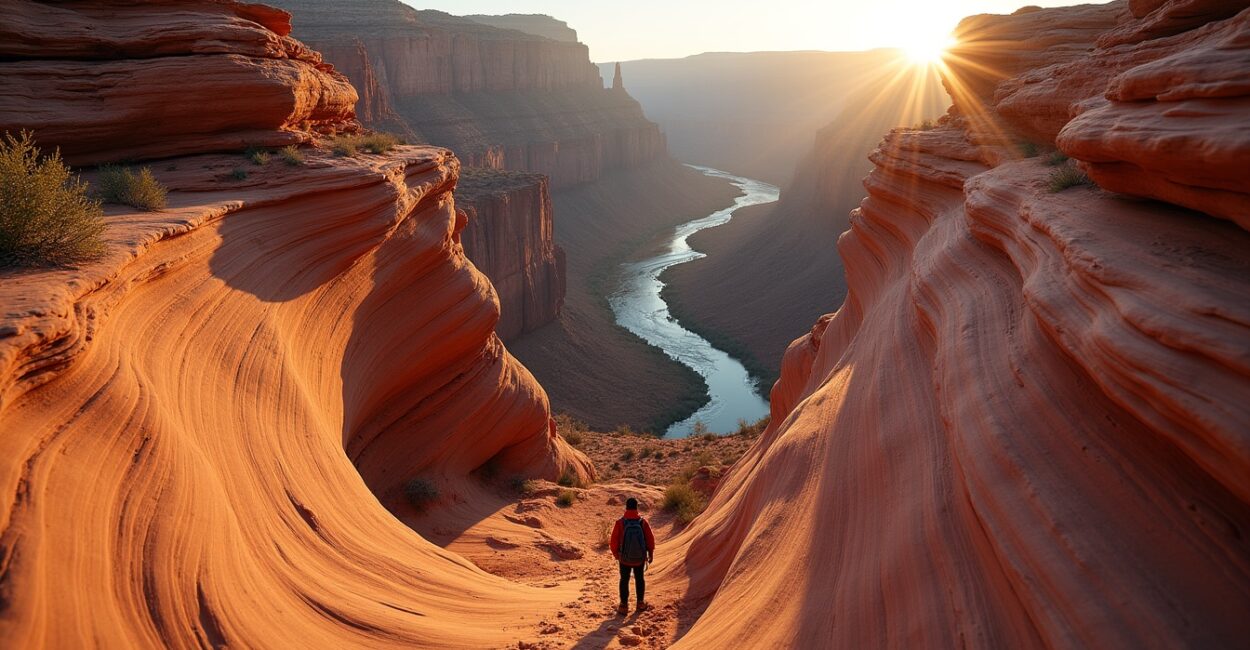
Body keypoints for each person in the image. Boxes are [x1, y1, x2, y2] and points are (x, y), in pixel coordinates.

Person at [609, 497, 655, 614]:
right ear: (636, 508)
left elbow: (613, 541)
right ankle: (640, 603)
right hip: (640, 558)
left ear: (626, 507)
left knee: (624, 580)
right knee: (640, 579)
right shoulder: (642, 522)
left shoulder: (620, 522)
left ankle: (623, 606)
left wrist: (616, 554)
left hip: (624, 558)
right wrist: (650, 553)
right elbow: (650, 540)